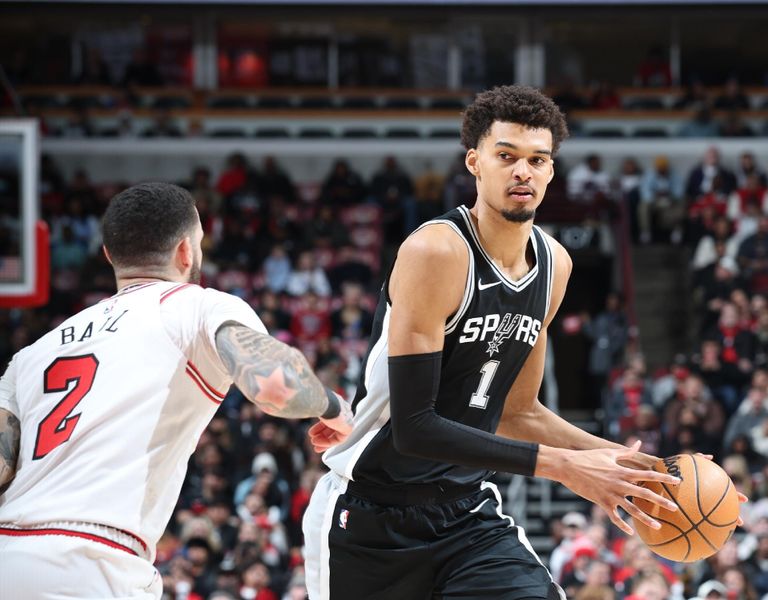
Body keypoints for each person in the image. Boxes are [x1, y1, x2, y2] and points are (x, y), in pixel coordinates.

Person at [302, 86, 691, 600]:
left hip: (467, 515)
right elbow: (415, 429)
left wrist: (636, 468)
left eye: (537, 159)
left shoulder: (554, 266)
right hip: (371, 518)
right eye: (506, 156)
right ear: (475, 163)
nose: (522, 172)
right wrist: (566, 468)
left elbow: (517, 412)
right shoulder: (435, 252)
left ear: (551, 171)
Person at [0, 182, 354, 599]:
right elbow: (274, 385)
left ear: (110, 256)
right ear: (186, 251)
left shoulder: (33, 354)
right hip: (94, 562)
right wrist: (334, 409)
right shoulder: (195, 305)